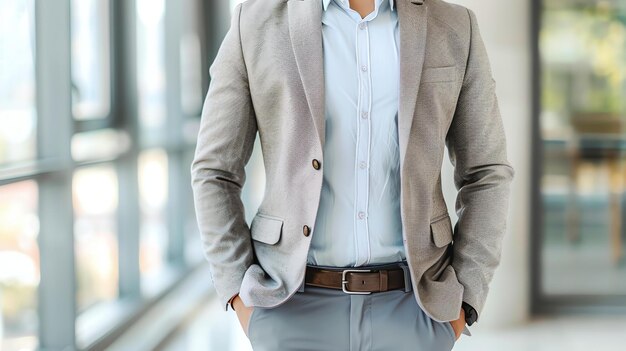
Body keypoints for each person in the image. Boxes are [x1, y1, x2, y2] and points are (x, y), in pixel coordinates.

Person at [190, 0, 515, 349]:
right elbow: (215, 171)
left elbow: (487, 172)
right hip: (291, 310)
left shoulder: (454, 25)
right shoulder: (255, 22)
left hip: (414, 310)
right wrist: (240, 296)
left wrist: (464, 299)